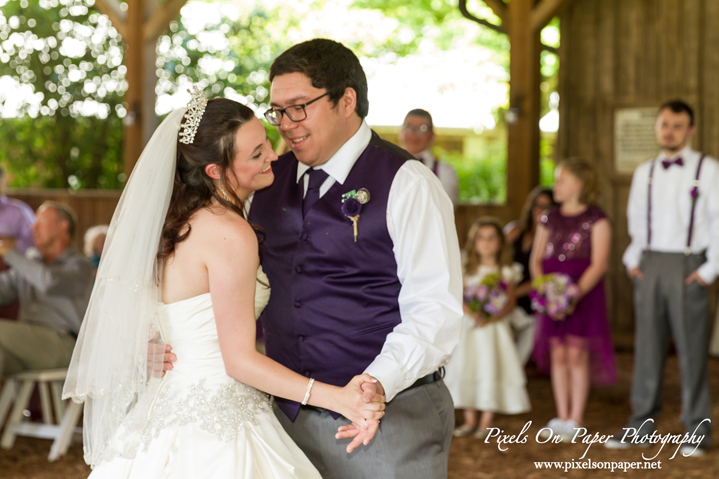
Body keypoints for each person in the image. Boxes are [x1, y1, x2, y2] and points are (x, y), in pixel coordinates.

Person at [63, 95, 385, 478]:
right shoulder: (230, 233)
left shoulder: (176, 223)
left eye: (266, 142)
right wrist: (339, 398)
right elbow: (239, 361)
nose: (273, 156)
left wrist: (149, 349)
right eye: (255, 154)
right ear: (215, 170)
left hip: (165, 405)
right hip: (215, 422)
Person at [246, 40, 463, 478]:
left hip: (390, 420)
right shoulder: (264, 183)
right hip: (283, 421)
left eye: (299, 107)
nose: (285, 125)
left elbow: (435, 309)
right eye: (277, 111)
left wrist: (372, 386)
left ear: (347, 100)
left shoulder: (408, 183)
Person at [606, 100, 718, 456]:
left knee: (691, 351)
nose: (669, 131)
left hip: (690, 265)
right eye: (665, 124)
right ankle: (641, 424)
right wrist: (633, 260)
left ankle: (697, 430)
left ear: (691, 130)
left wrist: (708, 271)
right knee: (647, 350)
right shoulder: (645, 171)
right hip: (650, 264)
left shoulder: (710, 169)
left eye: (678, 125)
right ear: (657, 126)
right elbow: (637, 220)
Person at [530, 158, 615, 442]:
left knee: (577, 354)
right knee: (559, 354)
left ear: (578, 184)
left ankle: (576, 418)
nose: (556, 186)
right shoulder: (548, 218)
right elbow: (536, 261)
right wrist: (550, 295)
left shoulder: (597, 219)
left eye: (561, 180)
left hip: (583, 295)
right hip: (553, 294)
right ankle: (560, 414)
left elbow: (599, 264)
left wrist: (571, 295)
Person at [445, 217, 531, 439]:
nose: (486, 243)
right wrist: (474, 313)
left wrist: (493, 314)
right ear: (473, 242)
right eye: (480, 238)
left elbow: (510, 301)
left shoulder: (506, 270)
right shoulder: (466, 266)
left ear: (500, 242)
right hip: (470, 326)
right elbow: (459, 295)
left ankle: (486, 422)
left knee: (490, 367)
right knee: (468, 366)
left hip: (494, 329)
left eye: (491, 238)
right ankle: (470, 419)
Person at [0, 201, 92, 376]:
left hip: (64, 344)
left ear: (61, 227)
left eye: (40, 222)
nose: (32, 228)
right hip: (27, 345)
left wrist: (10, 253)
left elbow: (50, 282)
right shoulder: (31, 264)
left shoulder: (80, 266)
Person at [504, 186, 556, 364]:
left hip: (530, 295)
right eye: (537, 205)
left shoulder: (553, 241)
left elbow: (543, 278)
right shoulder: (515, 231)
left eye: (547, 207)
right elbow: (496, 261)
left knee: (534, 324)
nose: (540, 210)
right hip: (504, 290)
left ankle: (515, 368)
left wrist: (513, 293)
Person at [398, 109, 459, 206]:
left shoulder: (445, 171)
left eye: (422, 129)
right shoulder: (385, 165)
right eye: (409, 127)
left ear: (432, 135)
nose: (414, 134)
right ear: (401, 131)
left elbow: (445, 208)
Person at [0, 166, 35, 254]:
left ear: (3, 183)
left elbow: (34, 243)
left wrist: (7, 243)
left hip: (14, 265)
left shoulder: (20, 211)